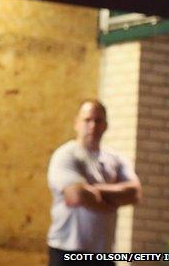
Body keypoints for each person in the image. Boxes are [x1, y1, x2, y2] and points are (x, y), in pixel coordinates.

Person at [47, 99, 142, 265]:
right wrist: (113, 200)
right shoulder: (66, 155)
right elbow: (77, 195)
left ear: (105, 125)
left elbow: (135, 193)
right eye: (87, 120)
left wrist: (94, 191)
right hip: (67, 251)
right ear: (76, 123)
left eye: (98, 121)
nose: (92, 126)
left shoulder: (115, 158)